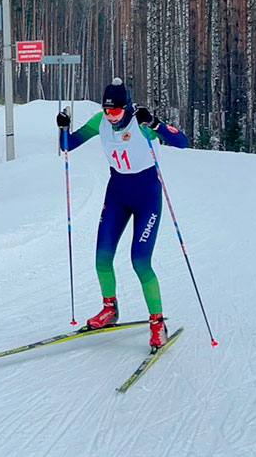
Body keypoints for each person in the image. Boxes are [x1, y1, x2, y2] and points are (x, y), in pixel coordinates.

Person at [56, 77, 188, 350]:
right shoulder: (100, 122)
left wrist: (156, 124)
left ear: (126, 108)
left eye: (115, 112)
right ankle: (109, 309)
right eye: (107, 111)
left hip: (146, 196)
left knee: (140, 261)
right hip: (117, 193)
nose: (110, 117)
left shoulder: (141, 122)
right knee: (101, 258)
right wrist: (63, 127)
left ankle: (157, 323)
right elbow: (68, 145)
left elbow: (182, 142)